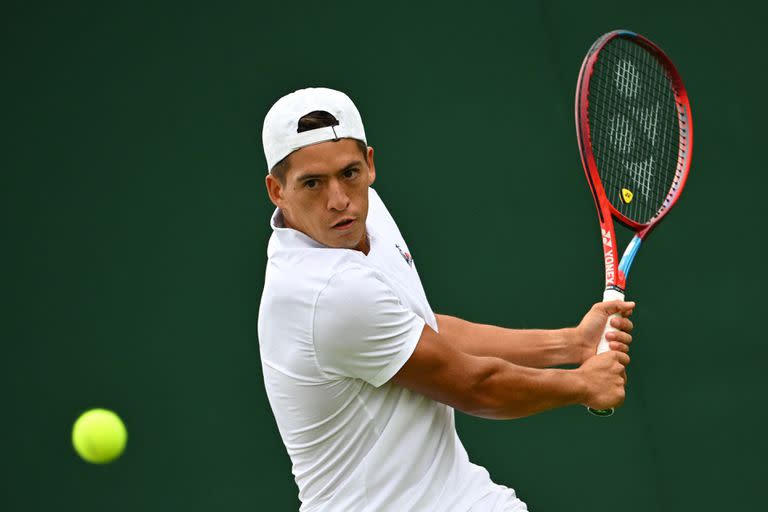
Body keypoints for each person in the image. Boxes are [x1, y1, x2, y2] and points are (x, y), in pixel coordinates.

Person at [257, 87, 634, 511]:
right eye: (312, 184)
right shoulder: (327, 292)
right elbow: (476, 386)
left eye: (349, 173)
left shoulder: (362, 216)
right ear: (277, 190)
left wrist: (571, 344)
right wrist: (584, 384)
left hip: (459, 495)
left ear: (370, 165)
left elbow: (422, 330)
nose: (339, 200)